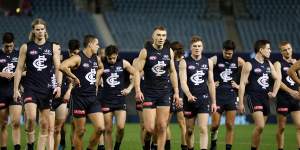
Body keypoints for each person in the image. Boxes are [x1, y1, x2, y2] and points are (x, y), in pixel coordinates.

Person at [13, 18, 62, 150]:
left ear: (45, 30)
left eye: (42, 29)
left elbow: (58, 68)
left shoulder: (53, 47)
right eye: (37, 29)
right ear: (33, 31)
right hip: (30, 88)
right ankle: (30, 144)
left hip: (46, 89)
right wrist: (15, 89)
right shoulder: (26, 47)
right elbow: (18, 69)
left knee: (45, 125)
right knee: (31, 118)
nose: (40, 31)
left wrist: (58, 85)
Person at [134, 26, 179, 150]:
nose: (161, 38)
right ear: (153, 36)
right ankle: (147, 146)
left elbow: (173, 72)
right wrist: (137, 90)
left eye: (163, 35)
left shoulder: (169, 51)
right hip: (149, 93)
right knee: (149, 129)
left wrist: (176, 92)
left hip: (164, 93)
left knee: (162, 126)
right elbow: (137, 71)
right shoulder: (145, 51)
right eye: (158, 35)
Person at [60, 34, 104, 150]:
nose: (98, 46)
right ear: (90, 44)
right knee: (80, 131)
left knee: (100, 128)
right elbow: (62, 66)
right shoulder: (78, 58)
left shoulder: (96, 58)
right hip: (79, 99)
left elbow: (101, 68)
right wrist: (73, 77)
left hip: (92, 98)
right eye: (97, 44)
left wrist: (97, 78)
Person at [238, 40, 281, 150]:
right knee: (260, 125)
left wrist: (275, 92)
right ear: (261, 50)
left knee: (260, 129)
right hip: (253, 97)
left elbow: (277, 78)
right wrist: (241, 103)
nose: (270, 50)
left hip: (265, 98)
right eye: (268, 48)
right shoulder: (249, 64)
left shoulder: (269, 63)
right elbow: (242, 84)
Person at [99, 45, 141, 150]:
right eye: (110, 58)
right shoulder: (101, 64)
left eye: (114, 58)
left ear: (117, 55)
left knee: (121, 127)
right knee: (108, 129)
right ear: (106, 56)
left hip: (120, 100)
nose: (112, 60)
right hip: (106, 100)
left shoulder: (123, 63)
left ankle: (117, 146)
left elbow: (136, 73)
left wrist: (130, 88)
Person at [179, 36, 217, 150]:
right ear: (191, 47)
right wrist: (189, 95)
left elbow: (210, 82)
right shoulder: (184, 62)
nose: (197, 48)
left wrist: (214, 102)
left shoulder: (208, 62)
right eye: (194, 46)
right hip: (189, 100)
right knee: (189, 130)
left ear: (202, 47)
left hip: (203, 99)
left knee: (203, 128)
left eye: (199, 46)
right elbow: (183, 82)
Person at [209, 40, 245, 150]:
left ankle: (228, 148)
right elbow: (201, 70)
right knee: (215, 125)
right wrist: (209, 83)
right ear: (222, 50)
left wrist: (239, 85)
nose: (228, 55)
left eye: (230, 53)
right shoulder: (215, 59)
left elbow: (248, 75)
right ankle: (213, 140)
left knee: (230, 125)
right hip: (218, 96)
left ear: (233, 52)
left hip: (231, 96)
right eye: (226, 53)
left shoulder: (239, 61)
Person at [50, 39, 81, 150]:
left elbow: (73, 79)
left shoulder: (74, 62)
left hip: (70, 95)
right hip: (54, 96)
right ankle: (61, 141)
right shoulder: (56, 61)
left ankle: (71, 146)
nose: (74, 55)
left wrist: (69, 91)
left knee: (72, 123)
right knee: (56, 127)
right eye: (72, 53)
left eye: (76, 53)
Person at [274, 41, 300, 150]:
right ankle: (280, 148)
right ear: (281, 52)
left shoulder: (297, 63)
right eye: (284, 50)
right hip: (283, 98)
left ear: (292, 49)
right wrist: (291, 91)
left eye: (289, 49)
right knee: (281, 128)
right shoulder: (278, 63)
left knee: (299, 126)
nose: (287, 51)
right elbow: (278, 82)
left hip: (296, 99)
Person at [0, 32, 22, 150]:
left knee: (16, 122)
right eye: (6, 46)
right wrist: (1, 73)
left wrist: (17, 74)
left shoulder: (18, 55)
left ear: (14, 44)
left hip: (15, 92)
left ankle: (17, 148)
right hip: (1, 93)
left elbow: (27, 71)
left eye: (11, 46)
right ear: (3, 44)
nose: (9, 49)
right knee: (3, 124)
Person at [166, 41, 187, 150]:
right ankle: (184, 147)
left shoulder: (170, 62)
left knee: (165, 124)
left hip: (170, 94)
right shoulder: (184, 62)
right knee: (182, 124)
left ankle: (167, 147)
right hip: (181, 94)